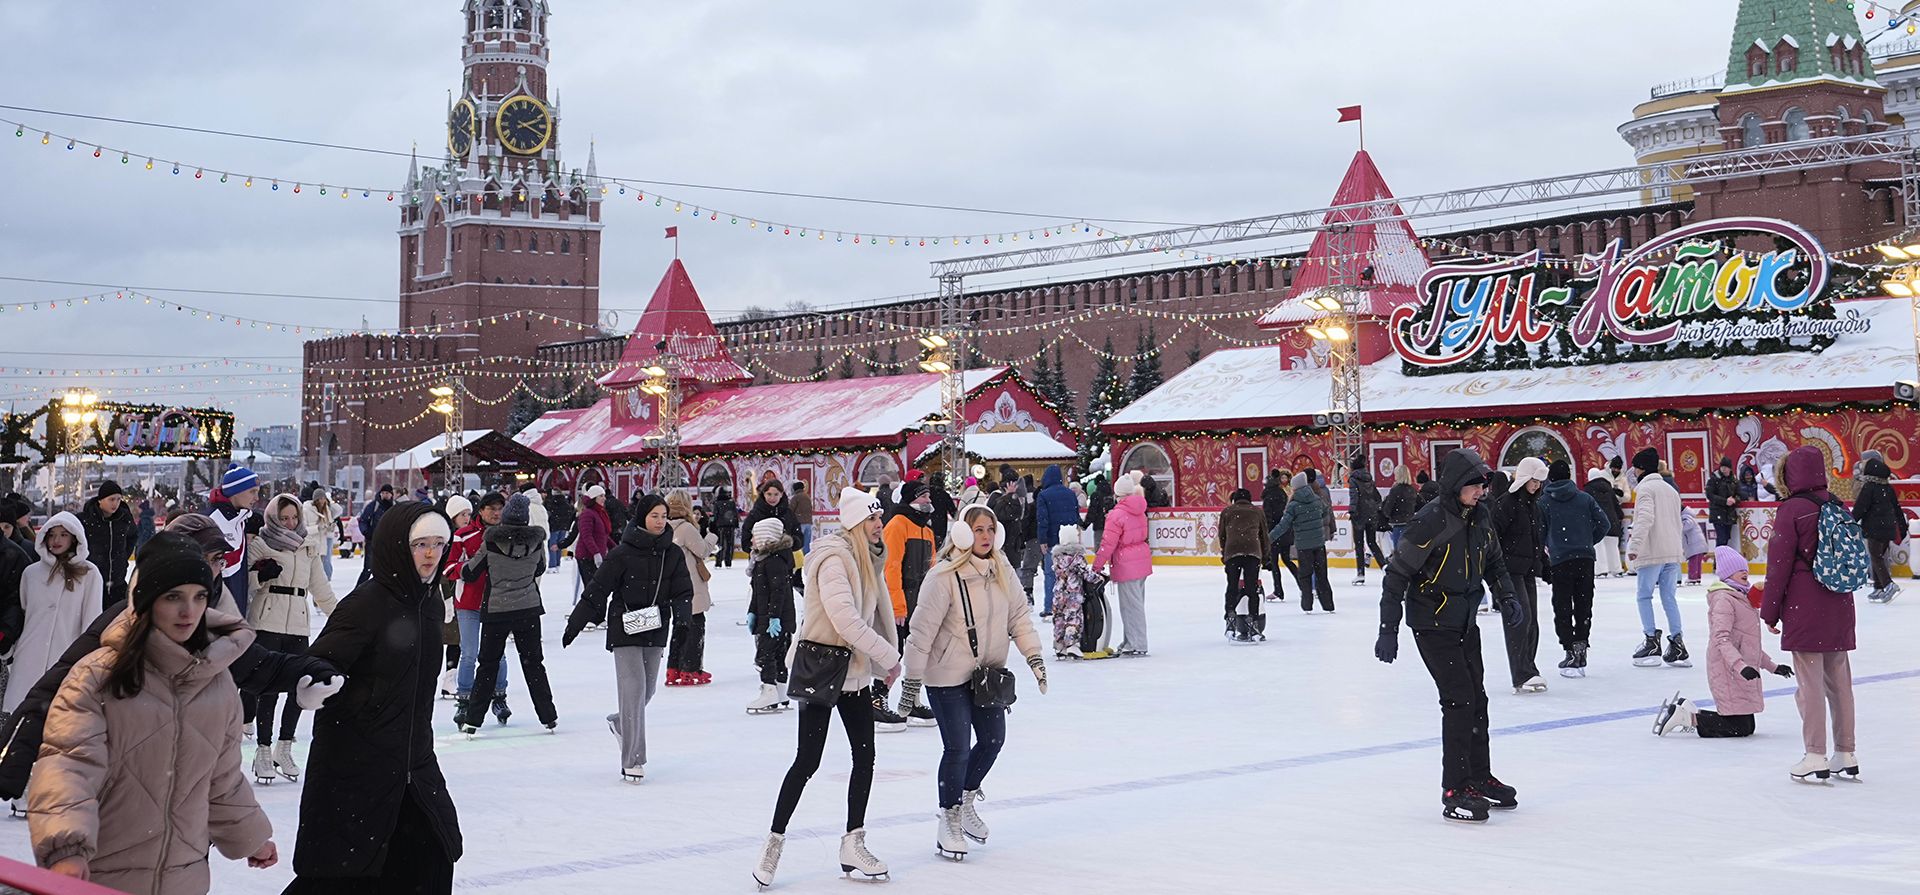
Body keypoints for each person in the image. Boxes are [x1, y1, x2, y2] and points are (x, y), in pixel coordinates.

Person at [0, 528, 344, 805]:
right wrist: (16, 750)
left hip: (181, 814)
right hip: (120, 805)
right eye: (208, 559)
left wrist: (308, 670)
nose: (217, 570)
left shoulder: (211, 629)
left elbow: (260, 667)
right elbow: (56, 688)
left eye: (220, 560)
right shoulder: (120, 627)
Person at [28, 542, 276, 892]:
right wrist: (67, 849)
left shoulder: (217, 685)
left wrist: (250, 838)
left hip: (183, 878)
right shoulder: (97, 677)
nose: (189, 611)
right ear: (147, 602)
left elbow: (222, 779)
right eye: (173, 597)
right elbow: (69, 767)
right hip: (103, 876)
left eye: (200, 597)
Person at [286, 501, 464, 892]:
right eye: (420, 545)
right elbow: (315, 665)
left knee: (432, 856)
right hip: (357, 764)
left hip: (413, 763)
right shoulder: (367, 603)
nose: (431, 554)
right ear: (398, 546)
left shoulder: (431, 602)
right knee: (341, 873)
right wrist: (332, 688)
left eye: (438, 543)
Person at [751, 487, 900, 887]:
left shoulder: (867, 557)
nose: (878, 524)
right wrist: (888, 656)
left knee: (865, 756)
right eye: (871, 518)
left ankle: (853, 841)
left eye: (878, 517)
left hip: (852, 674)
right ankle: (773, 842)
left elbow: (878, 610)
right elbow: (846, 619)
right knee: (807, 761)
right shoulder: (836, 560)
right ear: (854, 522)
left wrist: (889, 657)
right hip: (821, 668)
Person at [1374, 448, 1524, 824]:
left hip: (1464, 621)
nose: (1481, 492)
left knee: (1478, 698)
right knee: (1459, 700)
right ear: (1457, 485)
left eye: (1483, 486)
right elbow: (1396, 576)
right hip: (1432, 623)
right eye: (1474, 486)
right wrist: (1388, 629)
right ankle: (1455, 788)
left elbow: (1494, 561)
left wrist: (1506, 595)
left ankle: (1479, 777)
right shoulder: (1431, 520)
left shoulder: (1481, 515)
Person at [897, 504, 1047, 861]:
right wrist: (911, 683)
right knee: (958, 748)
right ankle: (948, 816)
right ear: (964, 533)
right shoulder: (943, 576)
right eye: (978, 530)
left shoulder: (1001, 569)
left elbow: (1019, 618)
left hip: (986, 675)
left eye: (990, 530)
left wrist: (1034, 656)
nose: (986, 536)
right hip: (946, 675)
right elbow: (920, 634)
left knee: (994, 739)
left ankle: (964, 799)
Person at [563, 495, 692, 782]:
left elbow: (683, 591)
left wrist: (683, 619)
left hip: (656, 625)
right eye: (654, 516)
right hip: (625, 626)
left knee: (646, 692)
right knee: (633, 692)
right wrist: (576, 622)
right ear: (642, 517)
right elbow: (597, 589)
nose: (660, 521)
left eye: (663, 516)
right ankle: (633, 759)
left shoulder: (671, 553)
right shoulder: (622, 553)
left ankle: (622, 724)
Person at [1760, 446, 1861, 784]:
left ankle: (1815, 754)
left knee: (1810, 684)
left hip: (1805, 605)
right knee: (1840, 683)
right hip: (1840, 603)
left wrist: (1769, 612)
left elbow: (1778, 567)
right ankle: (1846, 751)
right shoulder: (1836, 504)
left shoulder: (1792, 510)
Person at [245, 493, 339, 784]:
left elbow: (320, 588)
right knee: (268, 689)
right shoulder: (260, 544)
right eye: (284, 518)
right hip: (267, 620)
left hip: (298, 624)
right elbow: (245, 583)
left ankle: (284, 747)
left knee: (300, 687)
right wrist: (261, 576)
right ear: (274, 518)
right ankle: (263, 748)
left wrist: (343, 618)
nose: (289, 522)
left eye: (294, 517)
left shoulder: (307, 546)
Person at [1654, 546, 1793, 738]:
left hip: (1739, 669)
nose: (1745, 572)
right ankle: (1685, 717)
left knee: (1745, 725)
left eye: (1745, 569)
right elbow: (1721, 639)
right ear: (1728, 574)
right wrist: (1740, 666)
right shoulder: (1724, 600)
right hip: (1727, 669)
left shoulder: (1741, 597)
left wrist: (1773, 667)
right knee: (1741, 727)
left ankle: (1688, 710)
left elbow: (1748, 644)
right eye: (1739, 570)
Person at [456, 493, 557, 735]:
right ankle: (548, 716)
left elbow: (471, 572)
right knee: (534, 664)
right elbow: (540, 568)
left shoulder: (491, 540)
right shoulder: (536, 541)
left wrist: (458, 568)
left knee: (488, 665)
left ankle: (473, 720)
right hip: (528, 610)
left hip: (497, 611)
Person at [3, 512, 103, 716]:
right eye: (52, 535)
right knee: (22, 722)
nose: (56, 540)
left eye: (64, 535)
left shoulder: (89, 574)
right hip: (27, 661)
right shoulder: (31, 574)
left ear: (75, 537)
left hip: (67, 660)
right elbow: (23, 613)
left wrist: (85, 664)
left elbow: (92, 624)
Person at [1537, 459, 1610, 679]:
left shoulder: (1544, 502)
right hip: (1585, 558)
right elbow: (1604, 524)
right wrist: (1587, 541)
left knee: (1562, 605)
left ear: (1550, 477)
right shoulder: (1584, 498)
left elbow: (1540, 532)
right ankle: (1581, 644)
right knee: (1583, 603)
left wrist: (1548, 549)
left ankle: (1568, 649)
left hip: (1560, 560)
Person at [446, 492, 512, 725]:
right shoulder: (463, 536)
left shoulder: (507, 534)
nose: (496, 513)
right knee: (469, 653)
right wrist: (468, 569)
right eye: (491, 508)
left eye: (499, 509)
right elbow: (448, 567)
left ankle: (499, 697)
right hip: (469, 603)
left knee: (498, 653)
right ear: (481, 510)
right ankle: (464, 700)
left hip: (497, 603)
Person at [1487, 458, 1549, 694]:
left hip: (1527, 571)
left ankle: (1529, 668)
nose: (1537, 486)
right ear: (1523, 478)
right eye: (1534, 481)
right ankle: (1521, 674)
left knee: (1532, 622)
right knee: (1518, 621)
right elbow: (1493, 538)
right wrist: (1497, 569)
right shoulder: (1507, 504)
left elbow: (1535, 539)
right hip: (1509, 571)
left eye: (1539, 482)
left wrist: (1543, 562)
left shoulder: (1533, 505)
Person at [879, 481, 937, 729]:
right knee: (894, 652)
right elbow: (891, 567)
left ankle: (911, 699)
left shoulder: (927, 529)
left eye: (928, 496)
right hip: (902, 599)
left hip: (921, 601)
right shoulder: (897, 525)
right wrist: (898, 605)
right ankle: (877, 697)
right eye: (922, 496)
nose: (926, 500)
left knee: (918, 652)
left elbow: (932, 568)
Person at [1626, 448, 1688, 667]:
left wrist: (1634, 546)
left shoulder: (1645, 489)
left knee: (1644, 596)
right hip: (1671, 552)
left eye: (1634, 466)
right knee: (1669, 597)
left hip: (1652, 551)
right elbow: (1677, 521)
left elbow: (1644, 518)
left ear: (1641, 467)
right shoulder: (1670, 490)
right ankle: (1677, 642)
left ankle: (1651, 640)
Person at [1092, 470, 1154, 656]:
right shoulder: (1139, 510)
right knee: (1135, 604)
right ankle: (1130, 641)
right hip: (1141, 561)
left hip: (1127, 564)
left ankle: (1137, 644)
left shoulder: (1116, 515)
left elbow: (1108, 543)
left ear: (1118, 494)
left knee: (1130, 606)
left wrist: (1097, 565)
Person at [745, 517, 796, 714]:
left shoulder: (774, 562)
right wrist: (752, 612)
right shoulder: (762, 561)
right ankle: (781, 691)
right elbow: (757, 591)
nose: (751, 540)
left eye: (755, 536)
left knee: (766, 655)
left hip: (774, 618)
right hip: (767, 616)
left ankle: (769, 690)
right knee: (778, 655)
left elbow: (778, 591)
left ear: (766, 538)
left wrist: (774, 617)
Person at [664, 491, 714, 687]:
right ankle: (691, 669)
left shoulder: (665, 527)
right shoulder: (685, 528)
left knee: (680, 628)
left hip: (674, 585)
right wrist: (711, 536)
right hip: (690, 584)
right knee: (696, 626)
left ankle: (673, 667)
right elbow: (703, 550)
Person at [1273, 472, 1334, 612]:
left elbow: (1283, 526)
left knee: (1305, 576)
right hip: (1319, 544)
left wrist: (1268, 538)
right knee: (1322, 575)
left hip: (1304, 546)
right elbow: (1326, 512)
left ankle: (1307, 605)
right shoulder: (1316, 499)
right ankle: (1328, 605)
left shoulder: (1294, 505)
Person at [1217, 488, 1270, 642]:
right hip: (1252, 551)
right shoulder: (1257, 511)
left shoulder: (1227, 511)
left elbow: (1222, 535)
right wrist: (1265, 557)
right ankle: (1252, 621)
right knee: (1252, 588)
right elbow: (1264, 536)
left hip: (1232, 552)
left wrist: (1225, 553)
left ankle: (1231, 616)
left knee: (1232, 587)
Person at [208, 464, 261, 614]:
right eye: (252, 492)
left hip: (235, 614)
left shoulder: (241, 521)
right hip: (215, 617)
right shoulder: (212, 521)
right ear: (235, 492)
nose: (256, 498)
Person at [1851, 454, 1904, 603]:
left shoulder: (1869, 487)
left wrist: (1850, 522)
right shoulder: (1887, 487)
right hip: (1888, 528)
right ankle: (1879, 587)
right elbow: (1897, 508)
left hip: (1874, 528)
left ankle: (1888, 584)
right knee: (1878, 555)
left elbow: (1860, 507)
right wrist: (1902, 526)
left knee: (1875, 556)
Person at [1052, 526, 1110, 659]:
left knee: (1059, 618)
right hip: (1073, 593)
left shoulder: (1057, 557)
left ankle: (1060, 646)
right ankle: (1072, 645)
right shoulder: (1076, 557)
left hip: (1058, 593)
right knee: (1073, 618)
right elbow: (1085, 573)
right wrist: (1099, 578)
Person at [435, 494, 472, 698]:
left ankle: (451, 678)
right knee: (446, 638)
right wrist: (447, 598)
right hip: (445, 594)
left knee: (456, 639)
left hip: (461, 593)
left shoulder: (468, 536)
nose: (466, 518)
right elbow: (442, 571)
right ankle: (446, 677)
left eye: (468, 514)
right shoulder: (446, 539)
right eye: (462, 514)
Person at [1033, 464, 1082, 617]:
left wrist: (1042, 540)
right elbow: (1075, 516)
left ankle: (1050, 607)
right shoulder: (1070, 494)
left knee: (1050, 573)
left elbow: (1042, 519)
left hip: (1052, 539)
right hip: (1068, 539)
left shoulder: (1044, 495)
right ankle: (1070, 604)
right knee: (1069, 573)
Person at [78, 480, 135, 607]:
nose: (115, 503)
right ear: (100, 500)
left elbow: (132, 536)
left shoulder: (124, 519)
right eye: (111, 499)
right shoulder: (86, 519)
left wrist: (122, 556)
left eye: (119, 499)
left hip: (118, 583)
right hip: (92, 583)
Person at [1347, 457, 1389, 585]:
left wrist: (1353, 511)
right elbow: (1377, 496)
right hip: (1372, 514)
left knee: (1359, 544)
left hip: (1359, 515)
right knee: (1372, 542)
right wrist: (1376, 508)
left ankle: (1360, 573)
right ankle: (1384, 566)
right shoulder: (1369, 479)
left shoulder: (1353, 479)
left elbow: (1354, 496)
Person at [1584, 467, 1627, 579]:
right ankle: (1616, 569)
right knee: (1612, 545)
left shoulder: (1588, 490)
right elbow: (1615, 504)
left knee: (1599, 546)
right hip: (1612, 520)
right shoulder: (1609, 488)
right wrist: (1619, 516)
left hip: (1597, 521)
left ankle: (1601, 570)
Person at [576, 485, 613, 597]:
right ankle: (589, 612)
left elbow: (604, 535)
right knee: (592, 589)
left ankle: (595, 611)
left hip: (597, 556)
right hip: (587, 557)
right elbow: (587, 536)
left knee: (598, 588)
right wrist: (596, 553)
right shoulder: (588, 514)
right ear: (594, 498)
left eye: (604, 495)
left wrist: (617, 548)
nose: (604, 498)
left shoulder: (600, 512)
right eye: (601, 496)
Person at [1705, 457, 1742, 548]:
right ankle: (1718, 561)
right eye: (1722, 467)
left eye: (1726, 467)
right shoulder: (1714, 479)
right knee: (1721, 539)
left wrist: (1734, 500)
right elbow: (1710, 495)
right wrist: (1725, 501)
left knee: (1725, 539)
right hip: (1718, 512)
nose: (1723, 469)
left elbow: (1739, 494)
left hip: (1729, 514)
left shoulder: (1733, 480)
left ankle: (1722, 560)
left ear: (1730, 468)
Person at [305, 486, 338, 581]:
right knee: (312, 574)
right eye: (320, 499)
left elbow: (330, 521)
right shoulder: (306, 510)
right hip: (312, 546)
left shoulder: (326, 510)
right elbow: (303, 529)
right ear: (316, 499)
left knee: (320, 575)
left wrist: (330, 527)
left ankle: (322, 588)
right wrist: (317, 528)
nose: (322, 501)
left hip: (322, 546)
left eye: (324, 498)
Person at [1382, 465, 1419, 549]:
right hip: (1410, 523)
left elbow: (1387, 509)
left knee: (1399, 551)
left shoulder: (1395, 490)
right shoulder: (1412, 490)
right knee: (1408, 550)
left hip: (1398, 524)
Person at [544, 488, 576, 572]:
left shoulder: (550, 503)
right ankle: (557, 564)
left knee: (552, 545)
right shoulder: (565, 503)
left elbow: (549, 514)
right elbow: (570, 513)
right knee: (559, 545)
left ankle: (552, 565)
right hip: (563, 526)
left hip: (554, 526)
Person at [708, 487, 741, 567]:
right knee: (730, 545)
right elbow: (735, 514)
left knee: (720, 544)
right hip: (730, 526)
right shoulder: (731, 503)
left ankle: (718, 562)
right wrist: (735, 524)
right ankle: (728, 561)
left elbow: (715, 515)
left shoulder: (717, 503)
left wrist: (713, 525)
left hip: (720, 526)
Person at [1085, 474, 1114, 553]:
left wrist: (1086, 523)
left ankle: (1100, 565)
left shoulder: (1096, 495)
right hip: (1111, 525)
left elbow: (1092, 511)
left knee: (1099, 548)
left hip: (1099, 524)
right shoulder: (1111, 494)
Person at [791, 481, 815, 553]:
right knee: (806, 544)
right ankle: (806, 559)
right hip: (808, 522)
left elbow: (791, 509)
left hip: (800, 522)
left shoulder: (796, 497)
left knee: (799, 543)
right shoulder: (807, 497)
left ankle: (800, 560)